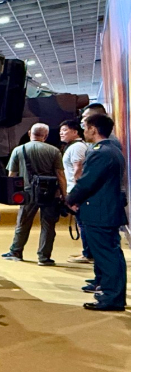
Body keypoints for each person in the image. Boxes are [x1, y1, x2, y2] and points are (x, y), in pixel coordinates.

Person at [66, 114, 128, 311]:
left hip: (99, 211)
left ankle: (111, 298)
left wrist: (70, 199)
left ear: (93, 129)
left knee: (106, 255)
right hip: (107, 210)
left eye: (85, 127)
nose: (84, 131)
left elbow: (87, 182)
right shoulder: (113, 149)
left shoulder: (100, 152)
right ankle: (110, 293)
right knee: (111, 253)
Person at [1, 123, 67, 266]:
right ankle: (44, 257)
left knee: (23, 222)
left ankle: (16, 251)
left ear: (29, 132)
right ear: (46, 136)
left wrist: (11, 195)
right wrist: (64, 194)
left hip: (28, 193)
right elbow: (60, 175)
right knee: (48, 225)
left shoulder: (19, 150)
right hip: (50, 193)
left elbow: (12, 175)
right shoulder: (54, 151)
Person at [58, 119, 92, 264]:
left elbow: (78, 169)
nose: (61, 133)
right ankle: (87, 252)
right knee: (81, 222)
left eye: (65, 130)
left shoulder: (77, 147)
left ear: (75, 132)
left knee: (82, 223)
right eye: (60, 131)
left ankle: (88, 254)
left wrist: (76, 193)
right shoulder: (74, 146)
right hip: (75, 189)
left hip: (76, 190)